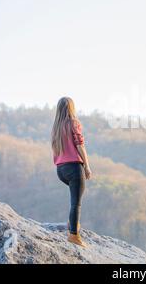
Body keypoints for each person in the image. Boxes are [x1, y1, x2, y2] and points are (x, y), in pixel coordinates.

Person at [51, 97, 92, 247]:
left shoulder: (56, 127)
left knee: (74, 201)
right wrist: (87, 166)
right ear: (71, 108)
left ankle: (71, 223)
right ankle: (74, 235)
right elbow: (80, 146)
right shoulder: (73, 123)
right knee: (76, 203)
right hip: (74, 167)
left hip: (60, 170)